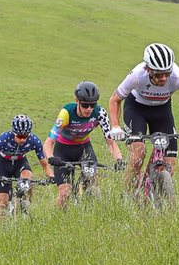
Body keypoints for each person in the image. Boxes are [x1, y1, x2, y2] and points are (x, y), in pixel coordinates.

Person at [107, 44, 179, 190]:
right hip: (136, 108)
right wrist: (115, 126)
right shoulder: (136, 75)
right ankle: (127, 197)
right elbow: (114, 100)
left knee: (169, 165)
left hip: (162, 111)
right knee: (137, 155)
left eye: (167, 73)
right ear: (147, 69)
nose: (164, 78)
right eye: (158, 74)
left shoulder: (177, 77)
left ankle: (150, 193)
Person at [43, 81, 125, 209]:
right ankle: (58, 217)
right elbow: (49, 142)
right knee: (65, 192)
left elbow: (110, 142)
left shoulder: (100, 113)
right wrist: (51, 158)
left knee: (92, 179)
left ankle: (88, 211)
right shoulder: (66, 113)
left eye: (93, 105)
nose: (89, 109)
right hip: (63, 150)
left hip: (83, 149)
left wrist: (119, 159)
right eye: (85, 105)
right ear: (77, 101)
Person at [0, 115, 51, 215]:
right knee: (2, 203)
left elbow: (45, 165)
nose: (23, 140)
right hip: (3, 165)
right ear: (13, 133)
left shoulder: (34, 140)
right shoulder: (3, 139)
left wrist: (52, 176)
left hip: (20, 163)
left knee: (27, 179)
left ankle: (27, 203)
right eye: (19, 136)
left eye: (25, 136)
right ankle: (1, 229)